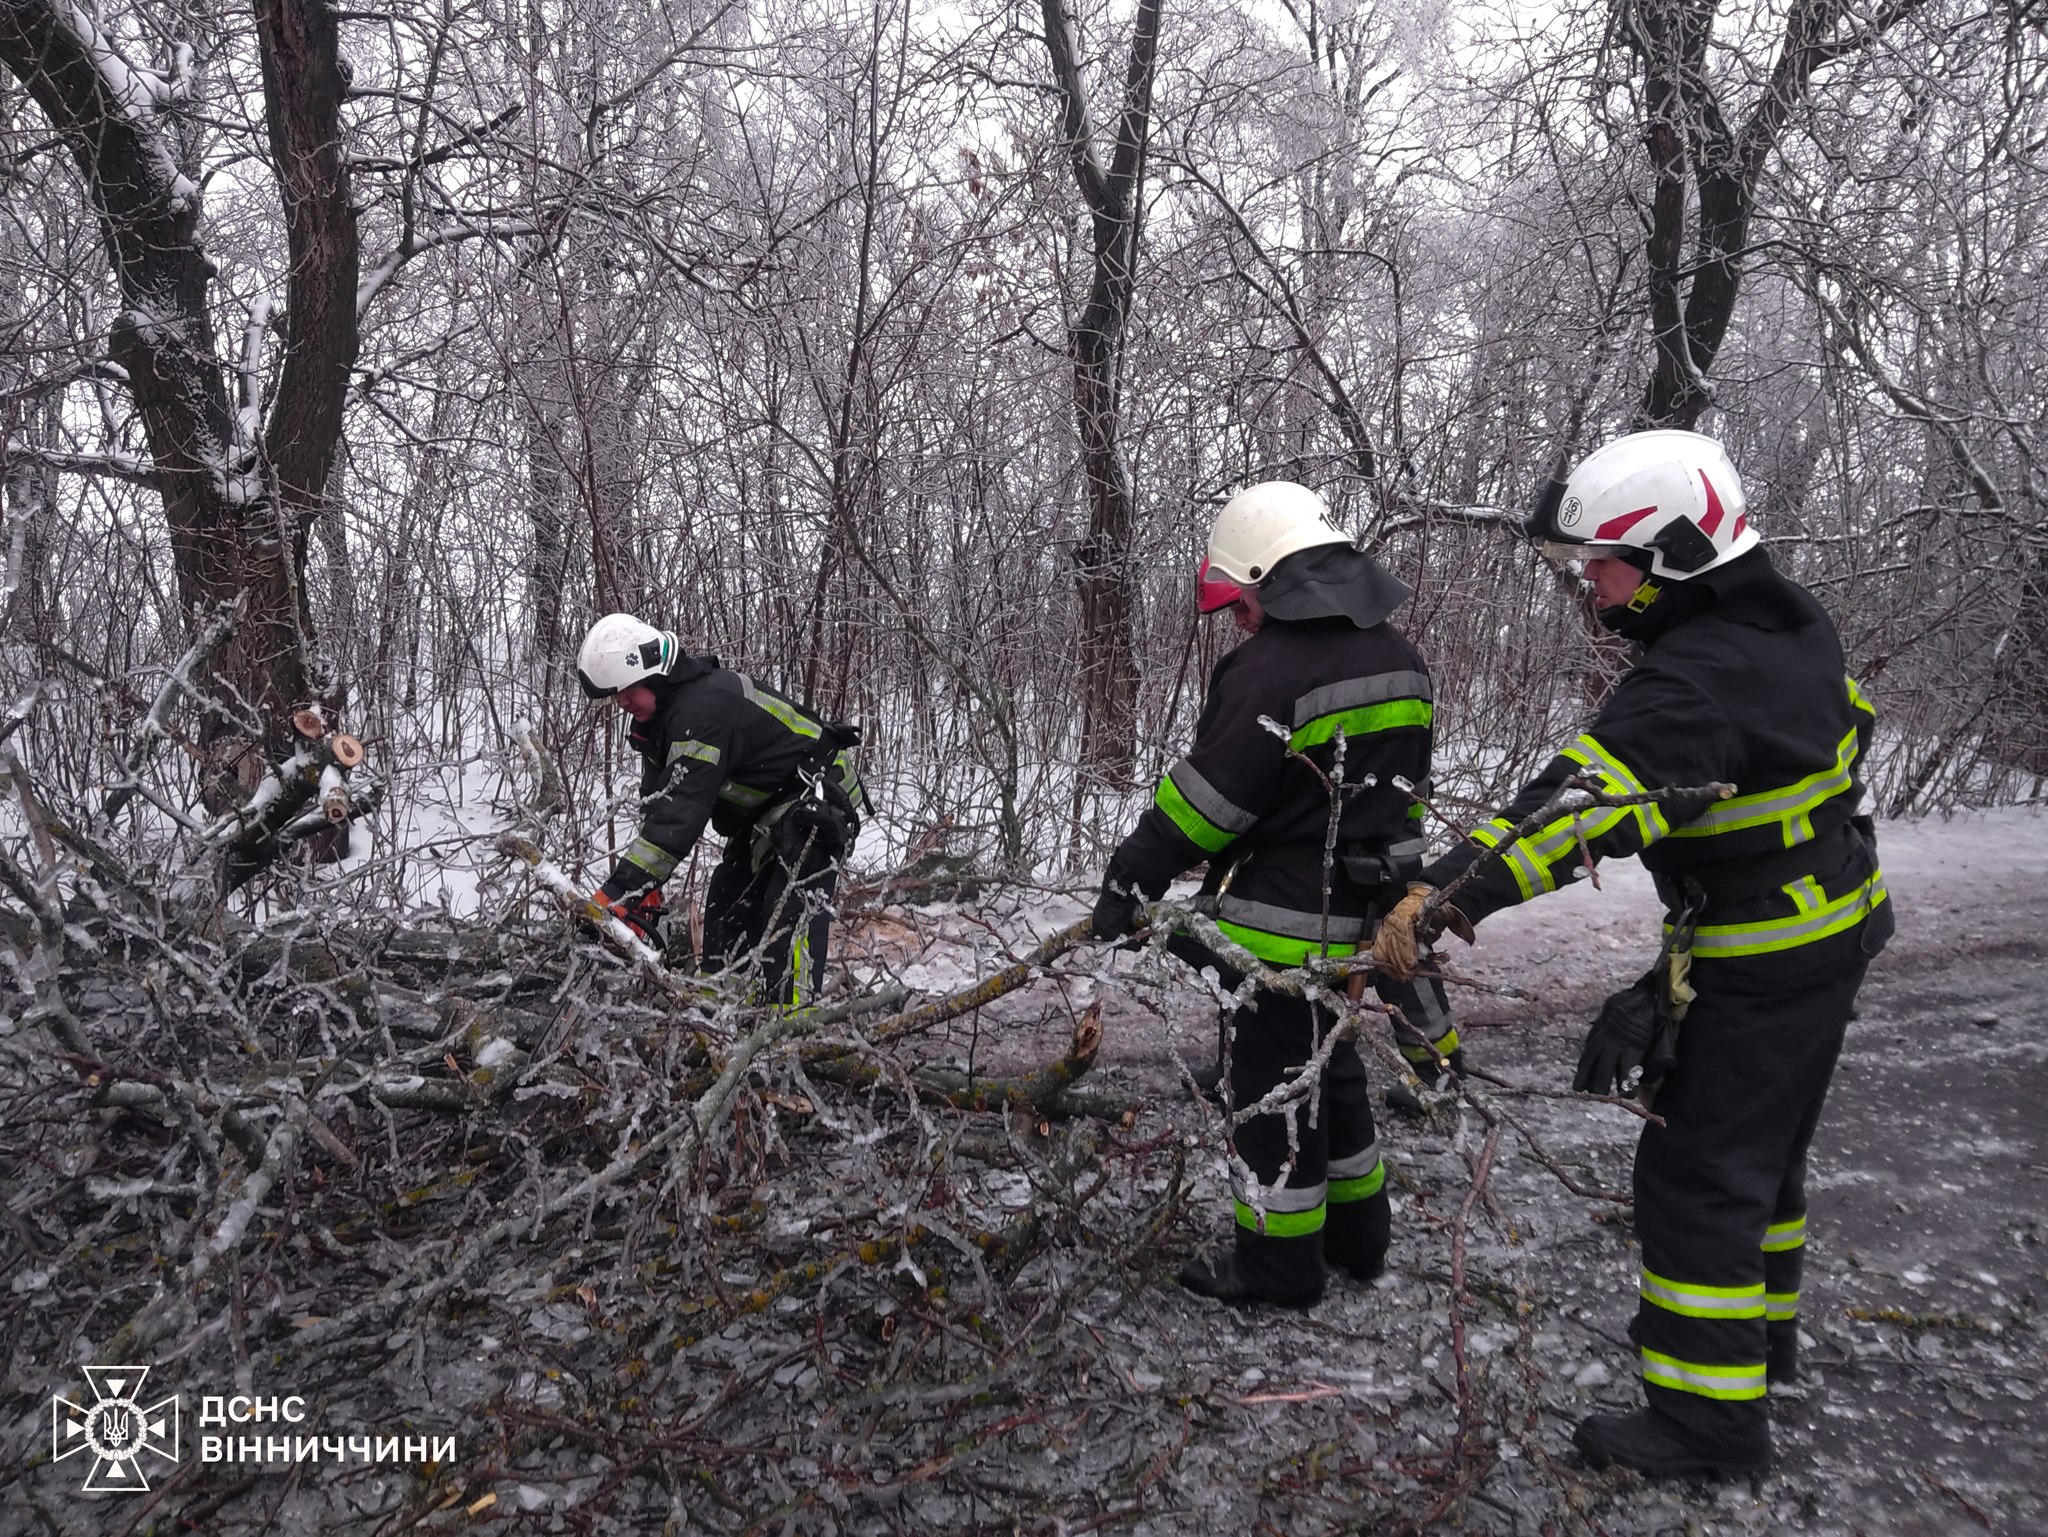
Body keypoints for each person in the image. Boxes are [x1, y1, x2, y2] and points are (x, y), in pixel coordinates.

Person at [1373, 429, 1892, 1477]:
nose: (1592, 590)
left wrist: (1439, 895)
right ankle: (1757, 1350)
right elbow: (1836, 740)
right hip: (1829, 924)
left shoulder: (1694, 681)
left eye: (1603, 567)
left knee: (1696, 1174)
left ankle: (1705, 1423)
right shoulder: (1788, 622)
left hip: (1762, 953)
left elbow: (1573, 809)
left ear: (1676, 556)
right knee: (1764, 1155)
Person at [1091, 482, 1463, 1308]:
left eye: (1241, 602)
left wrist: (1130, 878)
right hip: (1370, 923)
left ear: (1269, 574)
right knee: (1331, 1075)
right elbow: (1408, 800)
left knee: (1269, 1095)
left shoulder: (1266, 671)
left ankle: (1279, 1266)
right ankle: (1360, 1240)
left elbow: (1208, 806)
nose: (1239, 620)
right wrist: (1402, 909)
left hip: (1280, 931)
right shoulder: (1400, 653)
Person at [574, 613, 866, 1007]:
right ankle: (718, 1013)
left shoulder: (704, 710)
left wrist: (618, 893)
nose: (622, 703)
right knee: (727, 904)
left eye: (627, 691)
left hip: (816, 798)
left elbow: (682, 814)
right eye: (616, 696)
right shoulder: (662, 724)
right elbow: (660, 806)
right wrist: (647, 887)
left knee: (789, 913)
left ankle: (793, 1028)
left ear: (655, 676)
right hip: (767, 812)